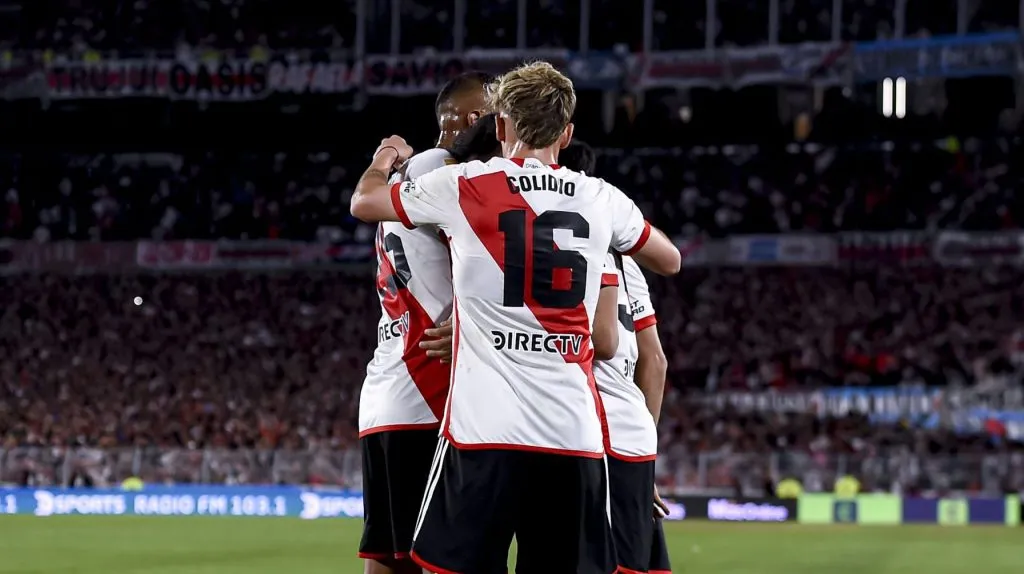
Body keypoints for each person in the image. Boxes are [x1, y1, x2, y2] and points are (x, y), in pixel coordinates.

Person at [350, 61, 681, 574]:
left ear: (500, 126)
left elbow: (365, 202)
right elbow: (670, 259)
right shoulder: (601, 198)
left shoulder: (466, 184)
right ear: (566, 134)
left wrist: (383, 158)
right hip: (573, 431)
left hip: (485, 428)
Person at [356, 72, 492, 574]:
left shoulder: (405, 177)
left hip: (388, 388)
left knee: (390, 556)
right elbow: (494, 265)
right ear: (477, 118)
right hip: (433, 387)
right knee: (455, 558)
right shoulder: (451, 175)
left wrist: (383, 157)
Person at [569, 141, 674, 574]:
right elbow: (656, 362)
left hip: (595, 434)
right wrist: (645, 452)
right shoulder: (630, 264)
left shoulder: (573, 252)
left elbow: (604, 342)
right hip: (632, 436)